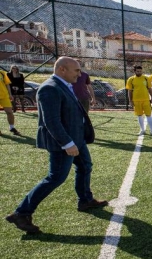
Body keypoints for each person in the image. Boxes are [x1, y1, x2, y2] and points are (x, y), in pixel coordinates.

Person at [5, 57, 107, 234]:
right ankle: (21, 213)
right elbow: (51, 121)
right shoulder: (49, 89)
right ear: (62, 69)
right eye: (76, 70)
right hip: (64, 143)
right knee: (56, 177)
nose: (80, 74)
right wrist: (67, 143)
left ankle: (85, 200)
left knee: (85, 166)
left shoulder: (63, 84)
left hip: (77, 138)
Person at [126, 66, 152, 136]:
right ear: (135, 71)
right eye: (138, 71)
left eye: (140, 71)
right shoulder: (131, 79)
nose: (139, 72)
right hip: (136, 100)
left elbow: (149, 88)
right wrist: (130, 101)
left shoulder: (146, 78)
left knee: (148, 115)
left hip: (146, 100)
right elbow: (129, 91)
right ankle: (142, 130)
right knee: (139, 115)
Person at [0, 67, 21, 136]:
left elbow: (7, 84)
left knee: (10, 112)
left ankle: (12, 127)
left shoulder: (2, 73)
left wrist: (10, 94)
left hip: (4, 96)